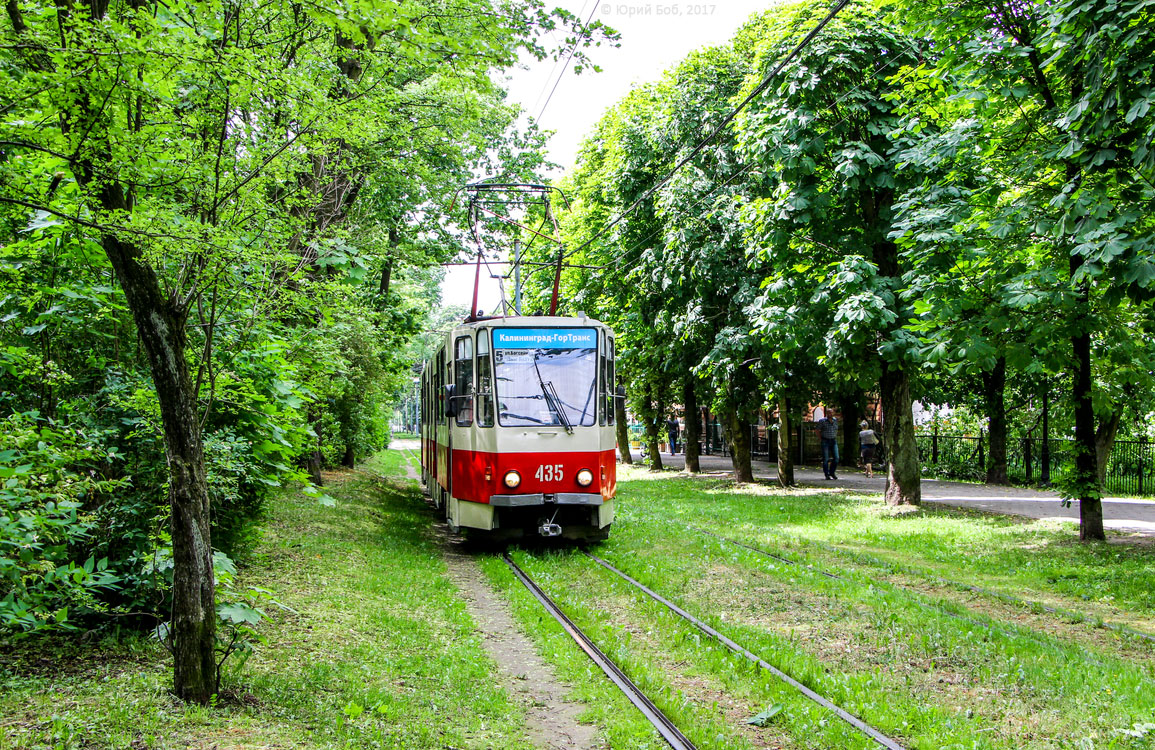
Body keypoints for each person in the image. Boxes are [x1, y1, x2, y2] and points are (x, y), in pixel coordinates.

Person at [814, 407, 839, 479]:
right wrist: (821, 438)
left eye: (831, 413)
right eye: (828, 413)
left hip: (833, 440)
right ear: (826, 413)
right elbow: (817, 430)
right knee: (826, 459)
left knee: (836, 458)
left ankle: (832, 472)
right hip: (825, 440)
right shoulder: (822, 421)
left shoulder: (835, 420)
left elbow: (836, 429)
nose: (830, 414)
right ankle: (826, 474)